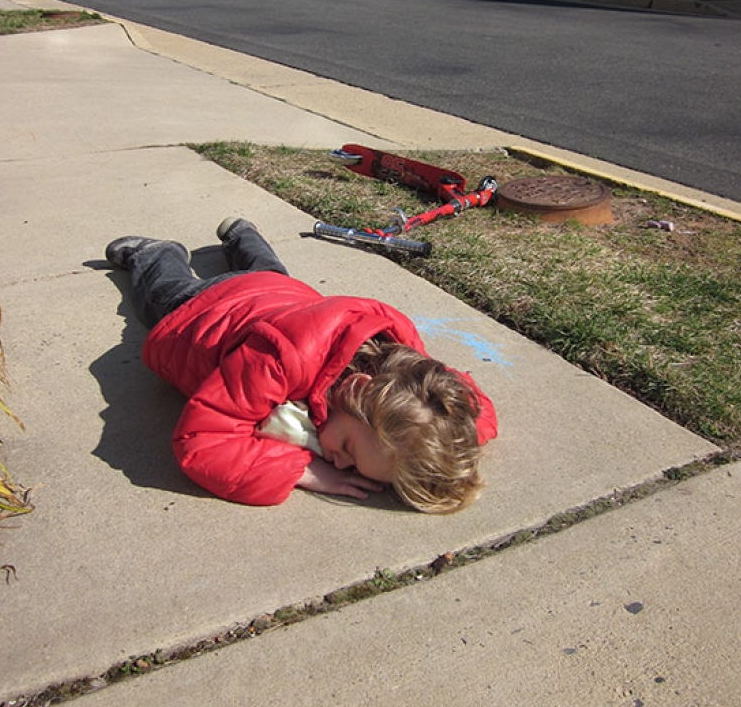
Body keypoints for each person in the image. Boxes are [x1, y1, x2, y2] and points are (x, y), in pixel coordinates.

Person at [106, 218, 497, 513]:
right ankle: (156, 252)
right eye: (347, 449)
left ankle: (242, 232)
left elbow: (474, 409)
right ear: (358, 389)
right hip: (205, 309)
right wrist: (303, 472)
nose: (340, 464)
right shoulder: (280, 361)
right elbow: (202, 442)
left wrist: (453, 448)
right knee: (161, 294)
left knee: (268, 270)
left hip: (284, 294)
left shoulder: (409, 370)